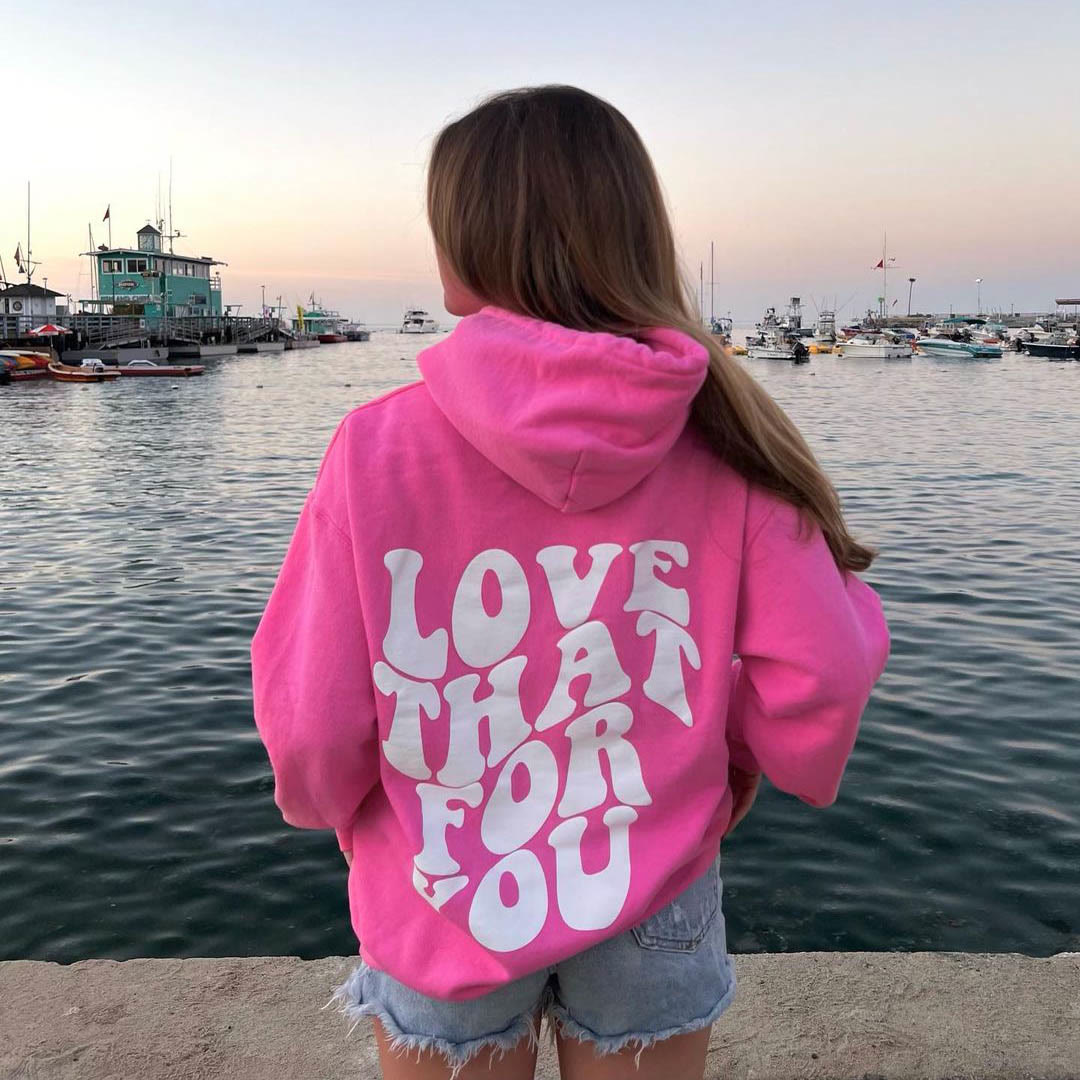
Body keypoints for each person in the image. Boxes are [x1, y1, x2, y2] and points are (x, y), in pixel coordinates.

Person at [251, 85, 889, 1080]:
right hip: (657, 880)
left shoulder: (374, 450)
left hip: (438, 887)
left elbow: (313, 723)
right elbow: (825, 671)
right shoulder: (727, 438)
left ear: (467, 243)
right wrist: (736, 761)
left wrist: (333, 806)